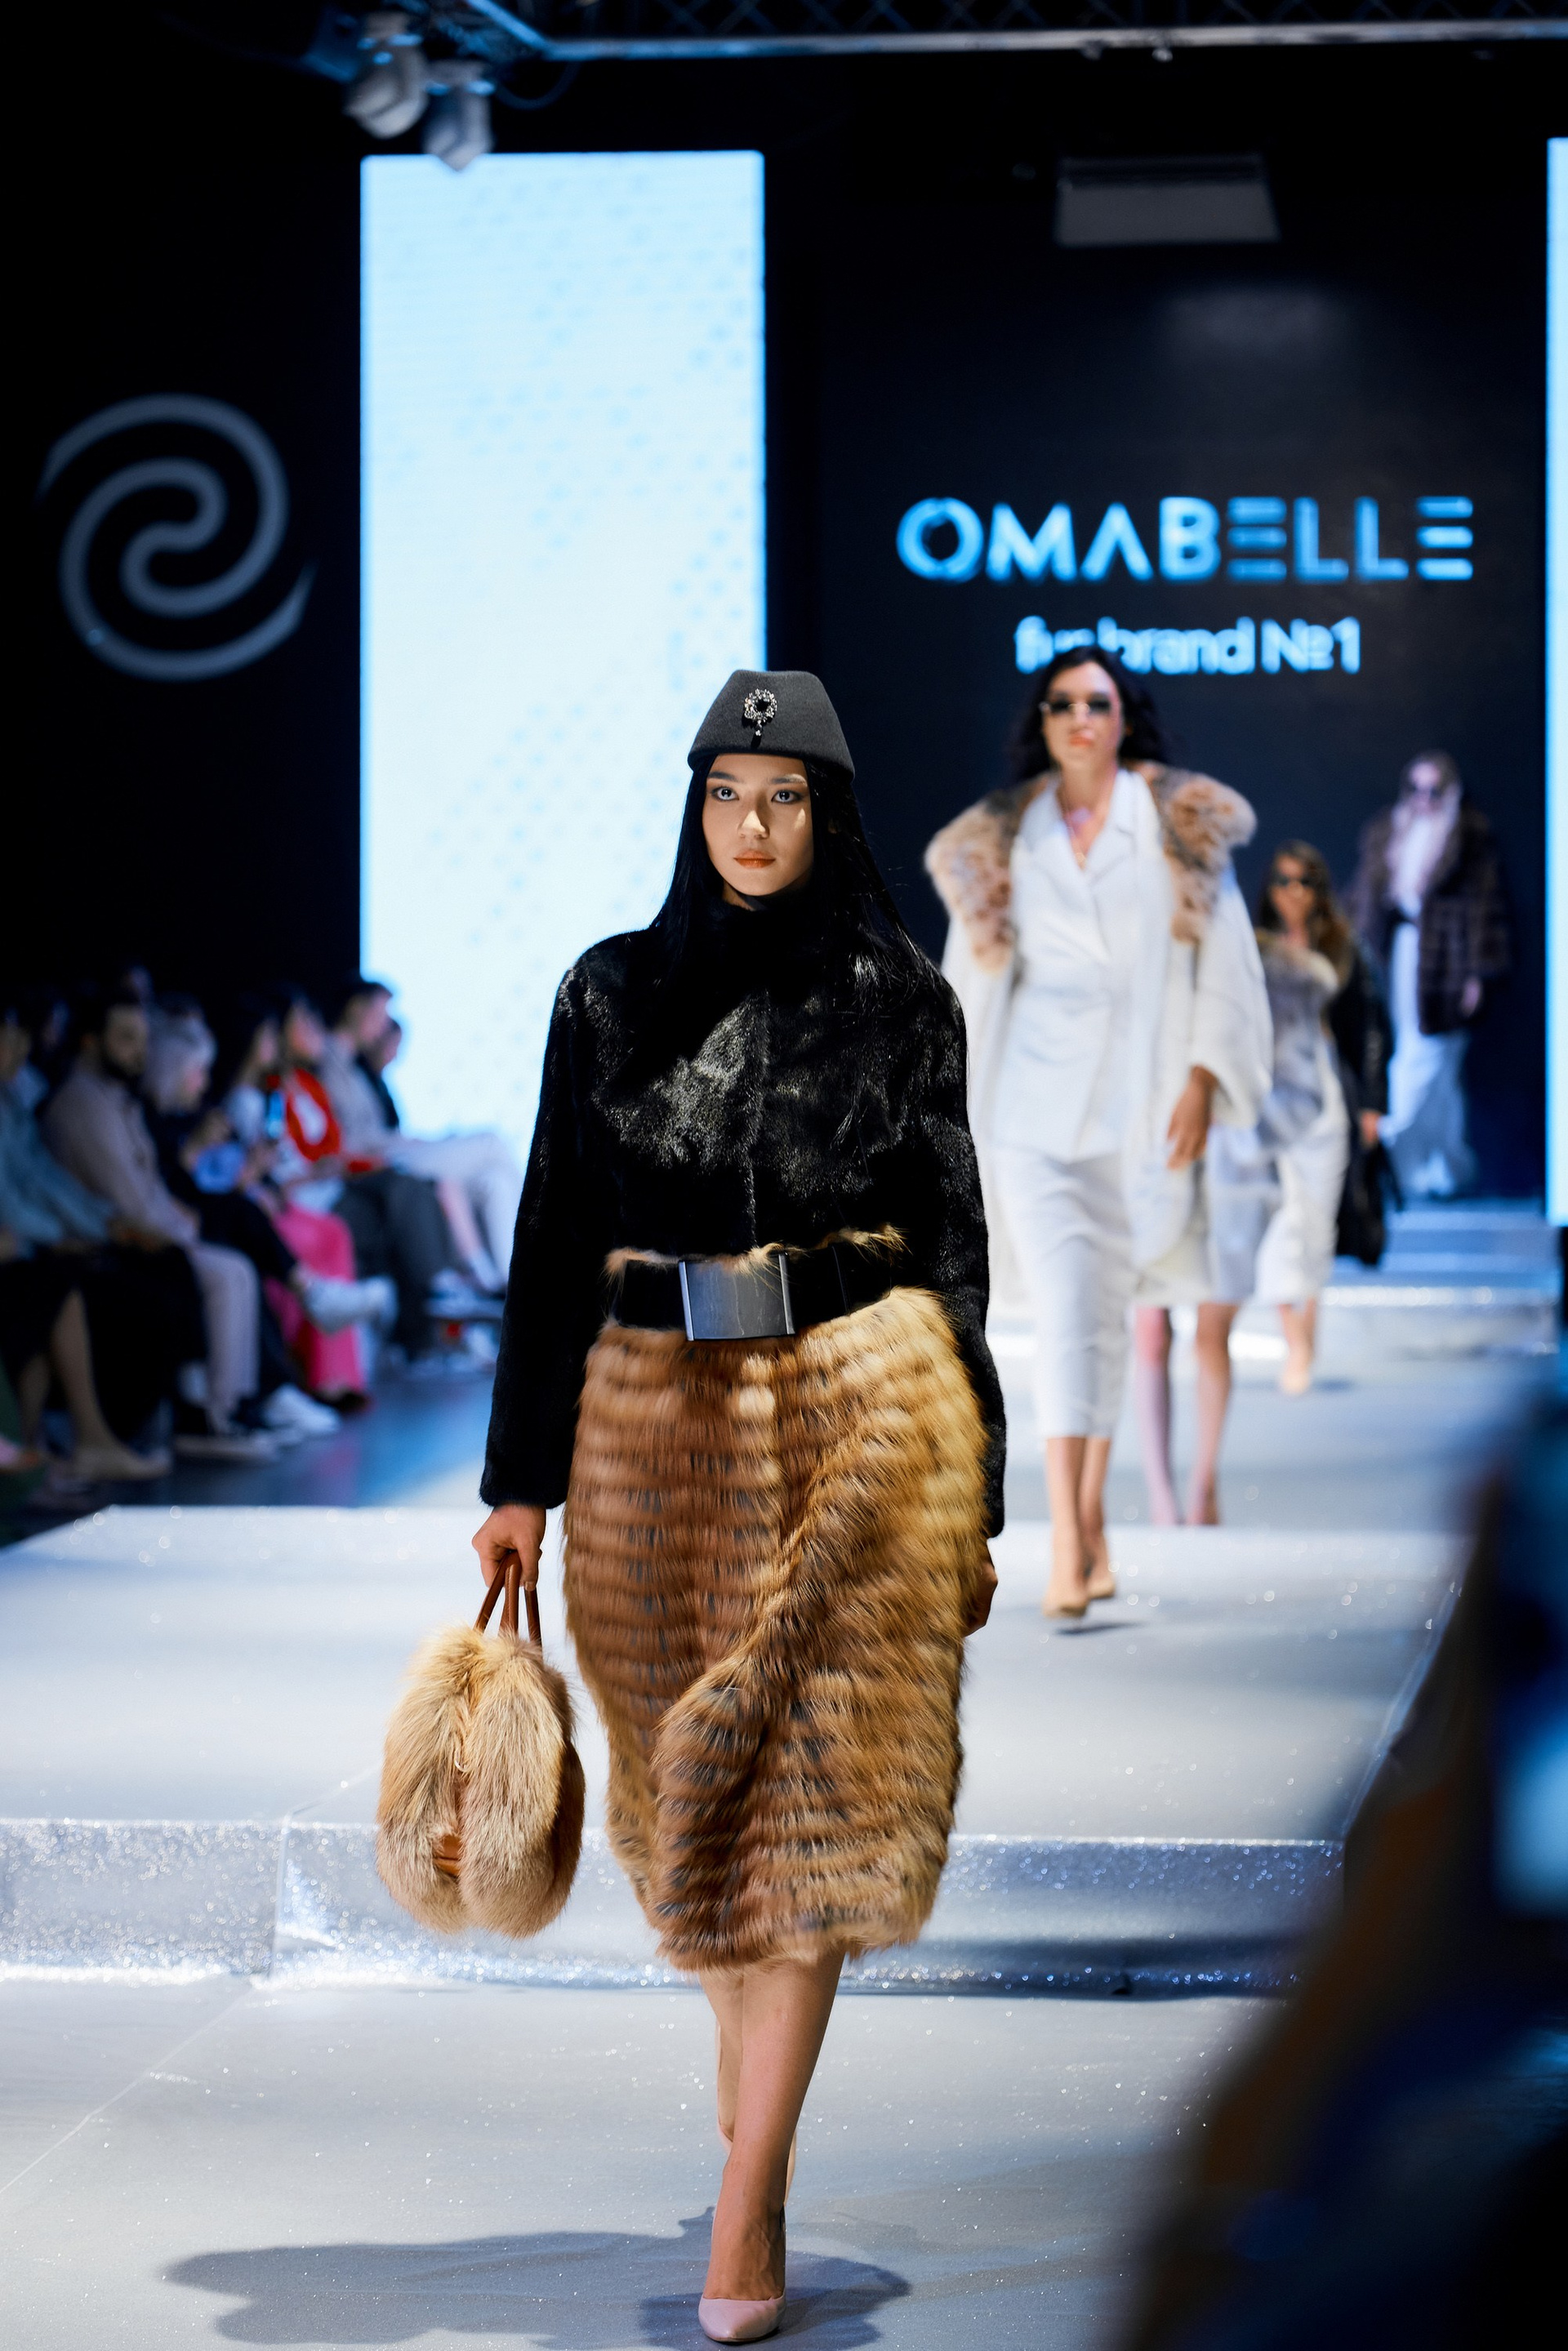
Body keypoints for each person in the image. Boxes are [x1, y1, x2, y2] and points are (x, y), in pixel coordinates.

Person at [473, 670, 1002, 2344]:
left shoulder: (903, 997)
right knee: (684, 1799)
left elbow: (956, 1245)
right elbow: (552, 1237)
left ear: (826, 813)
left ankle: (752, 2181)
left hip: (865, 1409)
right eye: (725, 792)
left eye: (782, 795)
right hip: (653, 1425)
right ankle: (752, 2061)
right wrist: (517, 1481)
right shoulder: (609, 992)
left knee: (818, 1801)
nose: (752, 823)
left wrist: (978, 1490)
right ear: (694, 808)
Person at [927, 651, 1270, 1601]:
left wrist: (1204, 1075)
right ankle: (1072, 1540)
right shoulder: (1003, 837)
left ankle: (1090, 1524)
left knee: (1102, 1314)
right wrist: (943, 1109)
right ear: (1041, 720)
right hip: (1028, 1110)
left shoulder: (1175, 825)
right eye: (1062, 702)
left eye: (1098, 701)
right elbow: (966, 984)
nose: (1080, 716)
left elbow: (1225, 960)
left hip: (1139, 1103)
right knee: (1067, 1310)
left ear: (1125, 716)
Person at [42, 990, 278, 1461]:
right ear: (90, 1041)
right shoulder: (82, 1105)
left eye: (142, 1039)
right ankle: (208, 1416)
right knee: (218, 1271)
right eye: (126, 1038)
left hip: (141, 1233)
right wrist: (175, 1227)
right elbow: (122, 1197)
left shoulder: (115, 1100)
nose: (139, 1052)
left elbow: (143, 1190)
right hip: (113, 1244)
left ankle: (225, 1410)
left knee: (231, 1268)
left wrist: (174, 1222)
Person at [1, 995, 205, 1449]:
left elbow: (45, 1181)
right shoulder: (74, 1103)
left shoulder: (13, 1106)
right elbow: (15, 1200)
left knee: (163, 1270)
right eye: (9, 1040)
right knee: (67, 1293)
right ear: (93, 1041)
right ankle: (77, 1442)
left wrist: (107, 1224)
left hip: (46, 1243)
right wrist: (81, 1233)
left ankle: (79, 1443)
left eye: (20, 1039)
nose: (20, 1051)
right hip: (33, 1249)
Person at [1349, 751, 1509, 1200]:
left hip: (1447, 963)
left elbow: (1486, 907)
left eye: (1434, 790)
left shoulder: (1466, 837)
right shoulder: (1390, 833)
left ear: (1450, 792)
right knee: (1433, 1073)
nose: (1424, 799)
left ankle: (1385, 1132)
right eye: (1415, 789)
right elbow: (1365, 899)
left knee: (1431, 1055)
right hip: (1402, 953)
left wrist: (1478, 972)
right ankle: (1438, 1169)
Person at [323, 980, 523, 1297]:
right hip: (373, 1165)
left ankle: (518, 1288)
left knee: (494, 1182)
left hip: (388, 1155)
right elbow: (347, 1141)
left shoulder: (353, 1070)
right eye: (380, 1015)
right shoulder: (327, 1061)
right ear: (356, 1010)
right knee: (491, 1143)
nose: (384, 1026)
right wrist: (402, 1143)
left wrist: (407, 1141)